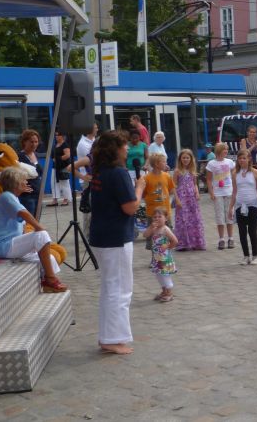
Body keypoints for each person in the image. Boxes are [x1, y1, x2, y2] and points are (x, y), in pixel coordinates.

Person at [89, 130, 141, 355]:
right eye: (124, 146)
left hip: (102, 235)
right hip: (116, 238)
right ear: (116, 150)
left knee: (110, 288)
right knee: (119, 289)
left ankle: (109, 336)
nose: (128, 149)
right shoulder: (118, 173)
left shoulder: (100, 171)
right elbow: (130, 207)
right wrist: (140, 187)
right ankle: (113, 338)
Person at [0, 166, 67, 292]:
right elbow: (23, 213)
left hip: (10, 245)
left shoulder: (12, 197)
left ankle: (45, 282)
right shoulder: (6, 196)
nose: (26, 182)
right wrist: (39, 227)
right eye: (23, 180)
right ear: (16, 182)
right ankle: (50, 280)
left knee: (50, 258)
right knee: (41, 234)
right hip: (2, 246)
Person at [232, 150, 257, 265]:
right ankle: (246, 256)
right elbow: (234, 191)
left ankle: (255, 255)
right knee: (242, 232)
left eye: (244, 158)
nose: (242, 160)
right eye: (240, 158)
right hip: (240, 205)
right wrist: (231, 207)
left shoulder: (256, 173)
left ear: (249, 159)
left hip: (253, 205)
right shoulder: (235, 173)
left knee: (252, 231)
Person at [173, 149, 205, 250]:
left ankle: (195, 242)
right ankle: (183, 243)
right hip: (182, 197)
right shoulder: (177, 171)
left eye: (187, 158)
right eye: (184, 158)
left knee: (194, 219)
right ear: (180, 159)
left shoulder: (192, 171)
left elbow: (195, 183)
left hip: (191, 198)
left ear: (191, 159)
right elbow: (173, 186)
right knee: (183, 219)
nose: (186, 159)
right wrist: (176, 199)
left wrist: (197, 192)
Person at [143, 208, 177, 302]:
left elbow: (175, 241)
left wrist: (168, 247)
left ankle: (169, 293)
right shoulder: (154, 229)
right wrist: (150, 227)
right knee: (158, 275)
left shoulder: (165, 229)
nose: (157, 218)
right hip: (157, 258)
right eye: (155, 217)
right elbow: (145, 235)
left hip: (164, 258)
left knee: (165, 275)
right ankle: (164, 291)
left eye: (160, 216)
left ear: (165, 218)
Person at [205, 142, 235, 249]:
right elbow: (208, 179)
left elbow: (234, 175)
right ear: (218, 151)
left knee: (229, 215)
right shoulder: (211, 164)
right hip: (218, 193)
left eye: (226, 149)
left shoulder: (230, 162)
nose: (226, 151)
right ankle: (221, 239)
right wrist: (211, 192)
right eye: (224, 149)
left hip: (229, 192)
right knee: (220, 217)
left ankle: (231, 238)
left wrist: (235, 190)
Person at [140, 152, 175, 234]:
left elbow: (171, 190)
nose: (166, 163)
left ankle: (168, 246)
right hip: (152, 213)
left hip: (165, 212)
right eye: (164, 162)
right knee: (152, 234)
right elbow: (143, 194)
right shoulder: (146, 178)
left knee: (167, 232)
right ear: (156, 164)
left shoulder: (167, 176)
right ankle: (153, 246)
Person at [17, 129, 43, 216]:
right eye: (31, 142)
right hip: (27, 196)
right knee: (29, 222)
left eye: (36, 142)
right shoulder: (19, 157)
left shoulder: (36, 155)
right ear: (24, 142)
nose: (34, 144)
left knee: (36, 220)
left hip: (38, 194)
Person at [49, 132, 72, 207]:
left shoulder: (65, 145)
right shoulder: (55, 145)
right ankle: (55, 199)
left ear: (62, 136)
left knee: (64, 182)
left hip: (63, 166)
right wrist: (53, 158)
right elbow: (52, 155)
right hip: (55, 166)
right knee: (53, 182)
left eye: (58, 135)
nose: (56, 137)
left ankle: (66, 199)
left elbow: (67, 155)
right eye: (55, 135)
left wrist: (58, 159)